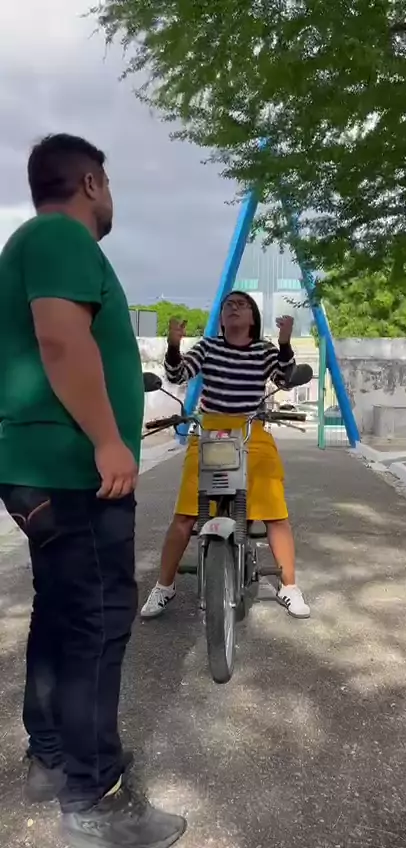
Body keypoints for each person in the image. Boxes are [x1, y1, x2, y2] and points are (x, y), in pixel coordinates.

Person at [0, 134, 186, 848]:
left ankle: (52, 756)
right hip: (75, 470)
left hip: (46, 470)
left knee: (61, 613)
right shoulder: (60, 236)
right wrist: (109, 439)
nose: (110, 197)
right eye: (106, 183)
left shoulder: (34, 243)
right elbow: (61, 340)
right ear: (89, 182)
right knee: (98, 622)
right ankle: (93, 796)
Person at [141, 291, 311, 620]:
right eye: (228, 305)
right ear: (221, 318)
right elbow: (177, 375)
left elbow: (285, 380)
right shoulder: (207, 347)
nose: (234, 308)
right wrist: (174, 346)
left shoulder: (264, 350)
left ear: (252, 317)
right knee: (185, 515)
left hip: (250, 431)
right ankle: (164, 586)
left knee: (275, 512)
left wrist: (285, 343)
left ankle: (289, 586)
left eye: (241, 305)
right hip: (210, 430)